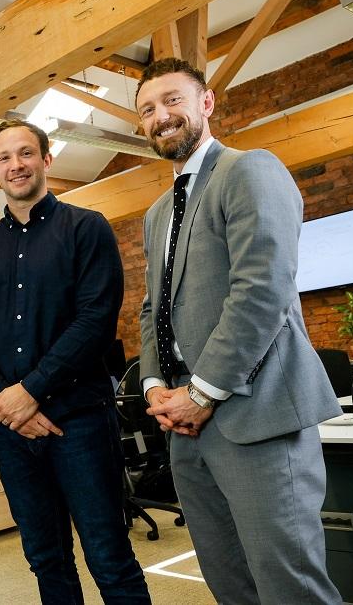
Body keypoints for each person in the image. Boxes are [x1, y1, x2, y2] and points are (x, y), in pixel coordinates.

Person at [136, 57, 342, 604]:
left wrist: (202, 392)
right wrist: (155, 387)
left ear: (206, 103)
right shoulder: (158, 212)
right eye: (148, 109)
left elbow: (262, 290)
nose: (161, 116)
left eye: (173, 100)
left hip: (257, 417)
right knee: (231, 585)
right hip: (185, 428)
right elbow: (151, 309)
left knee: (290, 587)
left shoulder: (249, 170)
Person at [0, 120, 151, 604]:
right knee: (45, 558)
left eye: (26, 153)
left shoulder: (87, 229)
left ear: (47, 159)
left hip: (80, 422)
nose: (16, 165)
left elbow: (95, 323)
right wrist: (6, 402)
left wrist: (30, 391)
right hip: (12, 431)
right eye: (5, 158)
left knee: (109, 556)